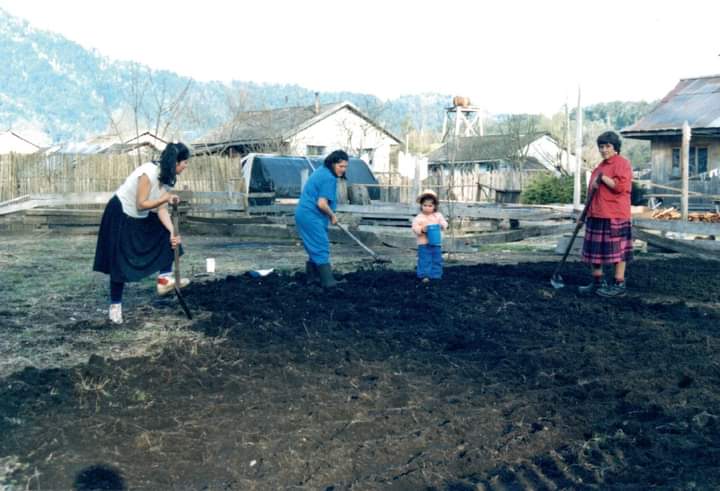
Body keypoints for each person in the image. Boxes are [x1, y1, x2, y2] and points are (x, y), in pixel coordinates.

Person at [93, 142, 192, 323]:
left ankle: (164, 280)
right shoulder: (149, 173)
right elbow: (141, 203)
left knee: (165, 232)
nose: (186, 166)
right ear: (176, 162)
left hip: (139, 215)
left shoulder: (165, 178)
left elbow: (161, 210)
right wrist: (165, 198)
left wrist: (172, 231)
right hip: (120, 213)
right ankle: (115, 307)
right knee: (119, 262)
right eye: (185, 162)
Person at [579, 131, 633, 298]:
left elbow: (620, 187)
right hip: (596, 214)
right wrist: (583, 216)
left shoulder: (622, 164)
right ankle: (597, 282)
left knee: (619, 252)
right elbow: (591, 195)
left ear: (615, 147)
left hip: (615, 214)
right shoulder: (599, 168)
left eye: (608, 146)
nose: (604, 149)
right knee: (595, 252)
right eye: (601, 146)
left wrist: (603, 179)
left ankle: (619, 284)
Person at [295, 150, 349, 288]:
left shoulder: (322, 171)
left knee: (315, 246)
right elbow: (322, 203)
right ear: (332, 164)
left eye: (345, 167)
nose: (343, 170)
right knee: (321, 246)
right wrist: (332, 215)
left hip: (307, 214)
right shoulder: (329, 178)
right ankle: (328, 281)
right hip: (311, 216)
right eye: (340, 166)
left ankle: (312, 279)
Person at [412, 189, 448, 282]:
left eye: (430, 205)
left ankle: (436, 275)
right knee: (425, 259)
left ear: (434, 206)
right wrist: (422, 229)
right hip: (424, 243)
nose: (427, 208)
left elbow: (444, 223)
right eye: (425, 205)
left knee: (437, 259)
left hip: (436, 242)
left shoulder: (438, 216)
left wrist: (442, 225)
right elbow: (415, 227)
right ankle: (424, 275)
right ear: (421, 205)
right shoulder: (419, 217)